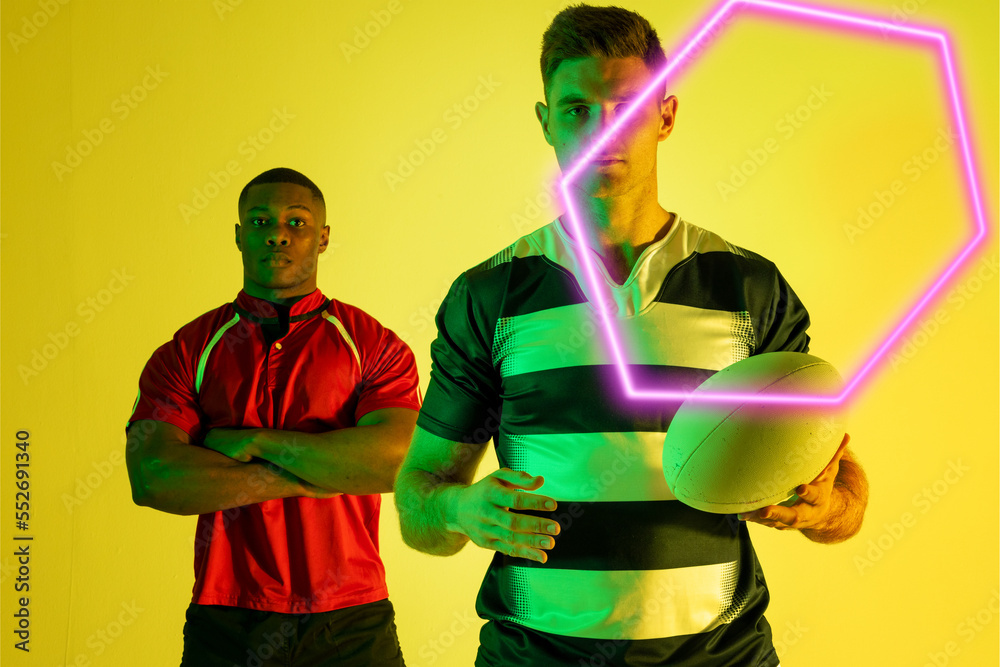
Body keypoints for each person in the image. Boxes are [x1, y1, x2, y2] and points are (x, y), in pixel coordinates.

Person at [394, 5, 868, 666]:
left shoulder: (748, 288)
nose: (601, 130)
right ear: (546, 122)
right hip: (534, 656)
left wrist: (822, 507)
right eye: (576, 109)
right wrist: (459, 509)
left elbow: (845, 492)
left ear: (666, 116)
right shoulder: (490, 295)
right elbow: (418, 501)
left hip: (719, 655)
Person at [126, 167, 421, 666]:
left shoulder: (372, 344)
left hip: (351, 616)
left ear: (323, 238)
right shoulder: (188, 350)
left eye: (297, 222)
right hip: (227, 617)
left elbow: (399, 464)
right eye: (260, 221)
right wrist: (320, 472)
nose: (278, 233)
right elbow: (153, 477)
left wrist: (253, 442)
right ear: (239, 236)